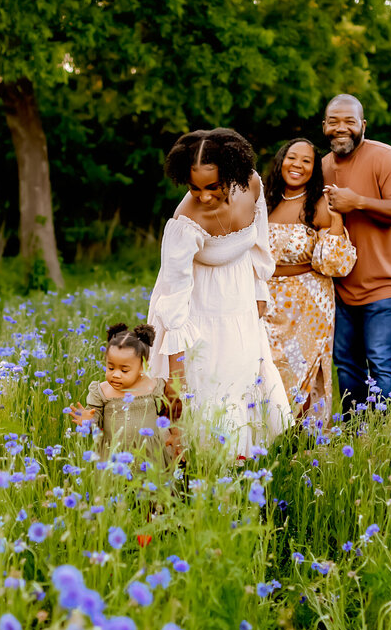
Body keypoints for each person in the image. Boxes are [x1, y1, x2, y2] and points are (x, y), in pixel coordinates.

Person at [147, 128, 291, 458]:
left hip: (240, 301)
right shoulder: (186, 221)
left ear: (232, 174)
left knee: (245, 383)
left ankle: (243, 470)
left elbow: (259, 240)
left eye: (213, 186)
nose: (205, 196)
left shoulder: (252, 183)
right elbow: (174, 303)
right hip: (201, 312)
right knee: (212, 392)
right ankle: (206, 472)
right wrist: (176, 379)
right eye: (194, 187)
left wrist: (259, 292)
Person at [320, 94, 391, 414]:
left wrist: (359, 202)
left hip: (386, 284)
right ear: (324, 126)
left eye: (350, 122)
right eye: (334, 122)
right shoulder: (322, 166)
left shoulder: (386, 158)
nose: (342, 128)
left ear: (362, 125)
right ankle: (355, 437)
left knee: (382, 362)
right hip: (340, 287)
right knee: (347, 366)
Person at [263, 139, 357, 427]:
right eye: (292, 157)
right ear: (281, 161)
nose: (298, 165)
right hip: (265, 300)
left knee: (299, 369)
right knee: (266, 367)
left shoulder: (318, 203)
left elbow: (335, 264)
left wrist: (337, 215)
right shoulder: (263, 201)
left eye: (307, 161)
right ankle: (267, 434)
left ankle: (302, 438)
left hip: (308, 303)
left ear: (314, 170)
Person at [70, 323, 171, 462]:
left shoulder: (153, 387)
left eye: (124, 370)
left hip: (149, 456)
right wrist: (88, 420)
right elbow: (95, 420)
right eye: (111, 368)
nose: (116, 375)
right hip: (114, 456)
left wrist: (175, 436)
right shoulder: (102, 391)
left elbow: (167, 415)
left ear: (143, 366)